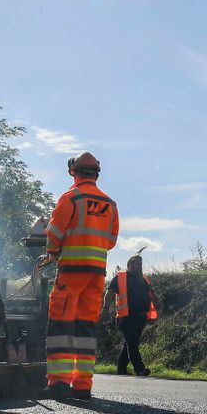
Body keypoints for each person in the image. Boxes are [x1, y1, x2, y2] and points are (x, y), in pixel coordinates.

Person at [43, 151, 119, 400]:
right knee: (86, 328)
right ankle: (83, 385)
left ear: (73, 171)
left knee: (62, 325)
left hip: (71, 273)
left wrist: (53, 252)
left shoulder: (70, 198)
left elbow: (54, 233)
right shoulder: (110, 204)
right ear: (96, 172)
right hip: (96, 275)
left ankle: (59, 384)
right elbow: (110, 242)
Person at [103, 251, 161, 376]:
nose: (138, 266)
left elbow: (152, 294)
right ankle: (139, 369)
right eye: (135, 264)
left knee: (129, 343)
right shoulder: (120, 277)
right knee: (132, 343)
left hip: (140, 317)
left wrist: (159, 304)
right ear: (129, 264)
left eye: (140, 264)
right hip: (125, 317)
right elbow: (110, 293)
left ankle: (121, 369)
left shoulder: (144, 279)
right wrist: (105, 308)